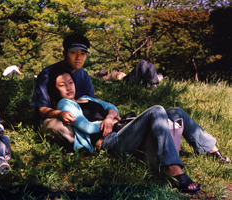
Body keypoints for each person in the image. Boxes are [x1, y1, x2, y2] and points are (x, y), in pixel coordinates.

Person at [47, 66, 230, 195]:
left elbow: (112, 107)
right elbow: (85, 126)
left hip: (123, 127)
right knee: (157, 109)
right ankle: (172, 168)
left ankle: (211, 150)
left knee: (176, 112)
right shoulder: (65, 104)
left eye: (70, 82)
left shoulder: (87, 97)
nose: (69, 87)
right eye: (62, 85)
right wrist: (107, 124)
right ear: (56, 91)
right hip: (111, 140)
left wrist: (110, 117)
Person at [31, 33, 95, 151]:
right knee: (64, 130)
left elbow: (92, 102)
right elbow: (41, 110)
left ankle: (94, 139)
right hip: (54, 118)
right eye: (73, 52)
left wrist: (110, 115)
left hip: (81, 118)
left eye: (83, 53)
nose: (78, 57)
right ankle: (93, 143)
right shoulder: (47, 74)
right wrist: (59, 114)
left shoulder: (84, 75)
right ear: (64, 53)